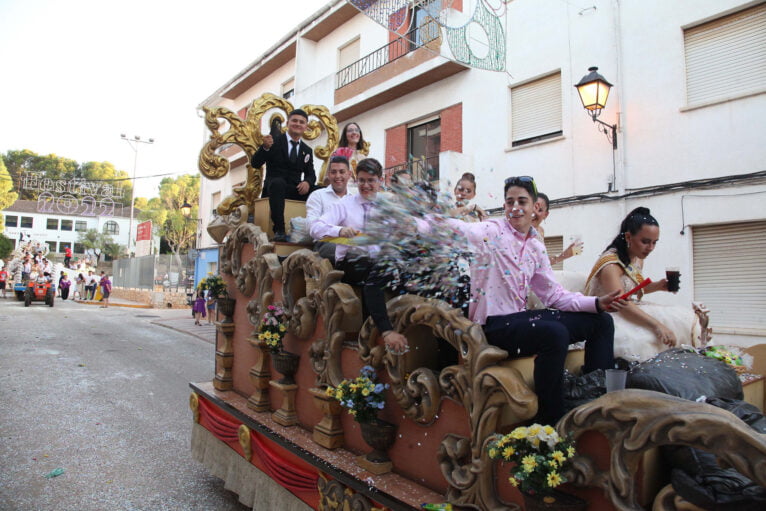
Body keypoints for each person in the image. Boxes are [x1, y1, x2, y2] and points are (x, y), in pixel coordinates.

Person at [421, 176, 622, 424]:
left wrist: (597, 303)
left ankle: (593, 401)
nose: (515, 207)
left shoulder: (536, 247)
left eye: (522, 201)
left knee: (601, 322)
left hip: (522, 320)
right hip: (493, 325)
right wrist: (420, 221)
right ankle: (551, 421)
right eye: (510, 201)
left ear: (534, 206)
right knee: (554, 333)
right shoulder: (491, 231)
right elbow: (454, 229)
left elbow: (553, 295)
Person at [310, 158, 409, 355]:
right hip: (350, 262)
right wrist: (339, 230)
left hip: (380, 261)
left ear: (380, 180)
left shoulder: (388, 206)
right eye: (362, 180)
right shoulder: (345, 204)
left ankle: (406, 328)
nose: (365, 185)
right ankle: (385, 330)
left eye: (371, 180)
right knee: (375, 269)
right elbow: (315, 228)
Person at [584, 207, 703, 362]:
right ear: (628, 236)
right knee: (650, 337)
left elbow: (633, 288)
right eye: (645, 242)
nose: (651, 248)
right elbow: (621, 302)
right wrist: (657, 325)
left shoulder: (636, 258)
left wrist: (659, 286)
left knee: (681, 319)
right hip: (607, 316)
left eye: (654, 242)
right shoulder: (611, 264)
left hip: (627, 308)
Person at [251, 108, 318, 242]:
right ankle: (279, 230)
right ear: (288, 123)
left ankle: (317, 230)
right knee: (278, 183)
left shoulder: (307, 150)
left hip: (295, 188)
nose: (298, 124)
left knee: (321, 190)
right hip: (274, 187)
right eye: (294, 121)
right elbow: (255, 163)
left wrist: (307, 183)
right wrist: (264, 148)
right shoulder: (273, 141)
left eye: (301, 122)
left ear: (305, 127)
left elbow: (311, 174)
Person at [306, 155, 355, 260]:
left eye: (342, 172)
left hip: (353, 243)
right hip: (325, 244)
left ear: (349, 174)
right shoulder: (317, 195)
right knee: (351, 252)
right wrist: (339, 231)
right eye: (333, 172)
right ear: (328, 174)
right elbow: (312, 228)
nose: (337, 176)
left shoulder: (355, 199)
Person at [532, 192, 581, 266]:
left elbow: (543, 262)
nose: (534, 212)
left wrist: (565, 255)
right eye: (533, 208)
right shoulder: (517, 229)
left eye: (540, 210)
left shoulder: (541, 231)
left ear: (546, 214)